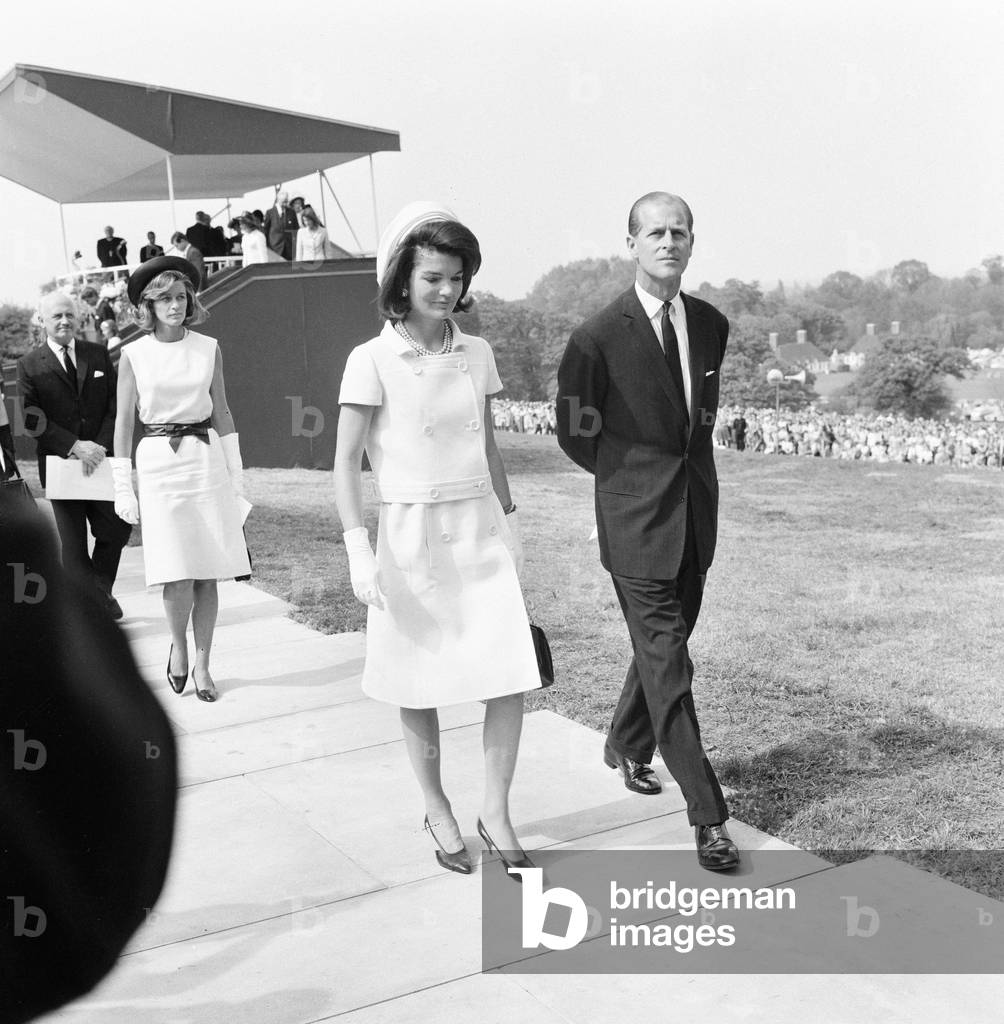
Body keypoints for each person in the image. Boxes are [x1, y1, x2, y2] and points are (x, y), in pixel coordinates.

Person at [333, 202, 540, 878]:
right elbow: (345, 464)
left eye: (456, 277)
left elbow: (486, 446)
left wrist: (510, 525)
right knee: (417, 686)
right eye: (432, 278)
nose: (446, 291)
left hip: (478, 531)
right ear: (401, 279)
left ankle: (497, 810)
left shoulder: (476, 353)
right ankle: (437, 806)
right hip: (407, 538)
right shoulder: (371, 360)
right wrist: (358, 549)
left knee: (510, 678)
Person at [556, 190, 739, 872]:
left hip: (695, 517)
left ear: (693, 242)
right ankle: (709, 817)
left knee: (663, 649)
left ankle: (628, 742)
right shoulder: (597, 337)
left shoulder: (713, 324)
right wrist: (629, 479)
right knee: (672, 663)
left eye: (680, 232)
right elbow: (575, 433)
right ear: (630, 243)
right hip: (634, 526)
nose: (669, 242)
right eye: (655, 232)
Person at [111, 256, 250, 703]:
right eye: (164, 298)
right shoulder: (133, 354)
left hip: (204, 459)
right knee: (176, 572)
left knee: (208, 570)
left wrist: (237, 477)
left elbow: (223, 411)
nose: (175, 305)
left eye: (181, 296)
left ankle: (206, 666)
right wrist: (121, 484)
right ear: (147, 306)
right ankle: (179, 646)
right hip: (158, 463)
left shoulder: (209, 347)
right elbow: (122, 424)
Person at [16, 291, 132, 619]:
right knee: (74, 544)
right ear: (43, 321)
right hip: (60, 463)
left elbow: (115, 405)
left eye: (69, 314)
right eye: (57, 316)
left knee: (116, 527)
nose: (64, 321)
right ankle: (90, 613)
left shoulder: (98, 355)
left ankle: (98, 593)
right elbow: (32, 417)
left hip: (101, 458)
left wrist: (99, 446)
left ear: (78, 318)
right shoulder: (29, 365)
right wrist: (73, 446)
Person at [263, 191, 298, 260]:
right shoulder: (270, 213)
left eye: (286, 201)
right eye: (283, 202)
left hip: (289, 250)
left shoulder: (291, 212)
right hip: (275, 249)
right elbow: (265, 231)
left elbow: (296, 230)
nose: (285, 204)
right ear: (278, 200)